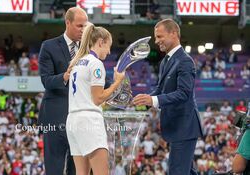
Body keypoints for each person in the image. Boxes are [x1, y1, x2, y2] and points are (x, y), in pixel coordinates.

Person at [133, 19, 203, 175]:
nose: (156, 41)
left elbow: (184, 93)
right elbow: (160, 88)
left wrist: (153, 100)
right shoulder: (166, 61)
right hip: (177, 127)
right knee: (185, 171)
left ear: (173, 34)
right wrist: (144, 101)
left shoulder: (185, 61)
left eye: (159, 36)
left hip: (184, 128)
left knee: (178, 171)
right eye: (156, 37)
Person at [66, 23, 125, 175]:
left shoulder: (77, 62)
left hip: (73, 120)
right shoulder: (96, 63)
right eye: (108, 46)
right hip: (89, 120)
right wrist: (117, 82)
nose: (109, 51)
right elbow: (98, 99)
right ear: (101, 42)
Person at [38, 7, 88, 175]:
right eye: (79, 26)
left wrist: (116, 85)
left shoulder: (88, 49)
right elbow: (46, 81)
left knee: (78, 169)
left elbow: (97, 77)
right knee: (54, 169)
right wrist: (65, 76)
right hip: (55, 116)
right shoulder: (49, 46)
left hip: (81, 119)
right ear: (68, 23)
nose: (83, 30)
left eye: (85, 26)